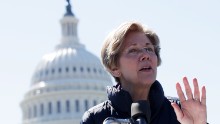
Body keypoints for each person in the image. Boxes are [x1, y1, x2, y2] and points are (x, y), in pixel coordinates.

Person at [81, 21, 207, 124]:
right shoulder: (95, 119)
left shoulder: (181, 112)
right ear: (114, 68)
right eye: (133, 50)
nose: (145, 55)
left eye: (149, 49)